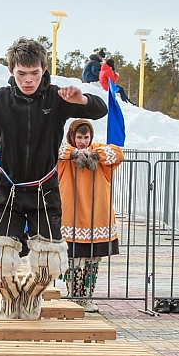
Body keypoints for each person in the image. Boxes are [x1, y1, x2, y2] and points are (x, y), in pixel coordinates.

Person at [0, 37, 107, 319]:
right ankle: (10, 299)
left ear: (44, 70)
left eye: (35, 73)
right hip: (7, 189)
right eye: (22, 74)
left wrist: (80, 99)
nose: (28, 80)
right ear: (12, 71)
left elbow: (99, 109)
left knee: (50, 264)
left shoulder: (56, 98)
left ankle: (32, 297)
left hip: (44, 191)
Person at [57, 119, 124, 313]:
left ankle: (87, 297)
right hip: (73, 217)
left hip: (97, 218)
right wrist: (75, 154)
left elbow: (119, 153)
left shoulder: (99, 151)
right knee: (74, 261)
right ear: (72, 136)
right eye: (79, 137)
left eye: (86, 137)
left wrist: (94, 155)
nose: (83, 141)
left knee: (92, 262)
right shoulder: (66, 156)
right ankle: (73, 297)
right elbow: (54, 149)